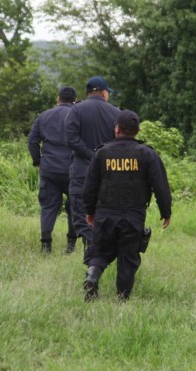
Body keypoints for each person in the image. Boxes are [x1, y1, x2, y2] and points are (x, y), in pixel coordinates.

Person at [82, 110, 172, 302]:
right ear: (137, 131)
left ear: (117, 129)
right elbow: (161, 185)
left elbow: (89, 186)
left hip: (105, 214)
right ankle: (122, 299)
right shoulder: (147, 154)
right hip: (132, 216)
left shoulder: (101, 153)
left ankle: (92, 276)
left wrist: (90, 211)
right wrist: (166, 211)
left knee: (99, 250)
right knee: (128, 256)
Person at [64, 76, 121, 261]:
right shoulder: (115, 112)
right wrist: (101, 157)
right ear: (104, 93)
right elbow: (120, 142)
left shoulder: (76, 110)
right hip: (108, 174)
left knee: (81, 216)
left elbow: (70, 139)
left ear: (88, 92)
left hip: (81, 172)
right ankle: (98, 254)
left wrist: (90, 155)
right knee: (104, 215)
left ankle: (91, 252)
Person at [27, 86, 78, 254]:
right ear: (74, 100)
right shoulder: (78, 115)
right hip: (73, 169)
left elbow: (32, 140)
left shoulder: (44, 116)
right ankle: (71, 245)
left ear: (58, 99)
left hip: (49, 168)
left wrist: (38, 161)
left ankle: (46, 245)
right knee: (74, 206)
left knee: (49, 206)